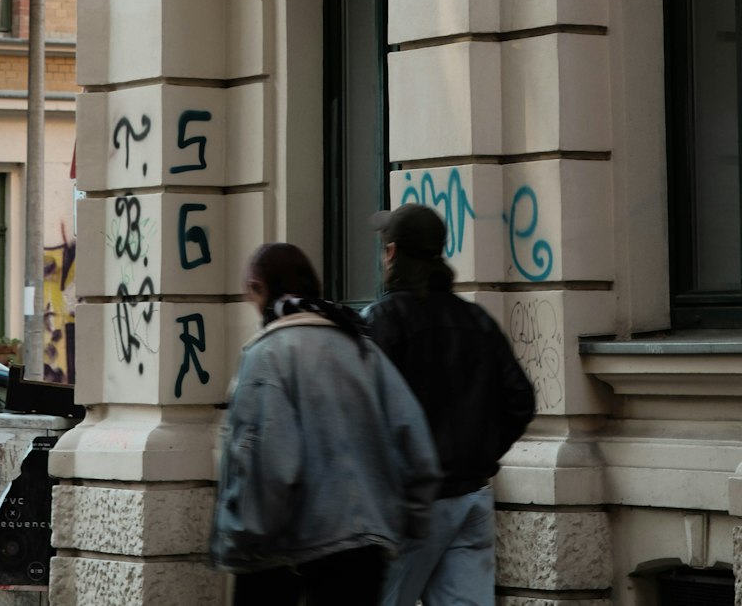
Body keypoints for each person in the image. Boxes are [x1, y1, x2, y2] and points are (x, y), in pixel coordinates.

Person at [211, 241, 441, 606]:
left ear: (260, 287)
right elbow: (417, 448)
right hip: (365, 551)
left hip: (286, 555)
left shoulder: (267, 354)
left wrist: (240, 537)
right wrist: (402, 524)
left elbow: (268, 464)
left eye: (250, 294)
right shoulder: (363, 348)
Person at [365, 204, 535, 606]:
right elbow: (520, 400)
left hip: (409, 507)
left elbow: (362, 418)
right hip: (471, 499)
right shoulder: (475, 319)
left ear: (391, 253)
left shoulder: (381, 321)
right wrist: (480, 453)